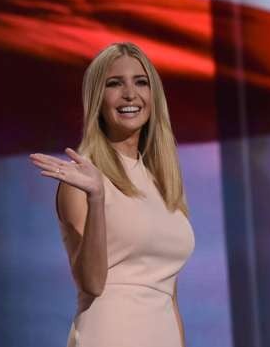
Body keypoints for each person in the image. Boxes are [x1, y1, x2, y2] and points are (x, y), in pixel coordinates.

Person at [29, 41, 195, 347]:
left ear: (153, 96)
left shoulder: (163, 180)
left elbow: (168, 292)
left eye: (141, 82)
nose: (130, 94)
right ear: (97, 100)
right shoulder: (80, 180)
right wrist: (96, 198)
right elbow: (91, 283)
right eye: (114, 84)